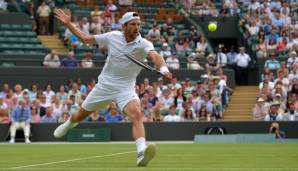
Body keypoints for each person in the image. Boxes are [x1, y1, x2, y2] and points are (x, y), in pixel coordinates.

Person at [53, 10, 172, 166]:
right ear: (124, 26)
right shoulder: (112, 37)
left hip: (125, 89)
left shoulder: (144, 43)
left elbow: (155, 56)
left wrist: (164, 69)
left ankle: (141, 153)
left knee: (136, 113)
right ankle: (69, 124)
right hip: (104, 86)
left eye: (138, 24)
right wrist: (68, 23)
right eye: (133, 24)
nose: (137, 27)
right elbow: (85, 38)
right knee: (80, 115)